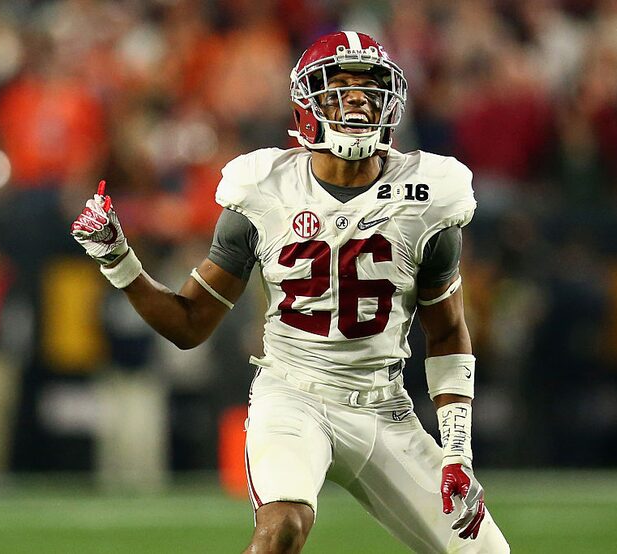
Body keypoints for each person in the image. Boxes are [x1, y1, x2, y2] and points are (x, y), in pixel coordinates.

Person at [72, 31, 509, 554]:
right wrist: (120, 259)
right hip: (293, 396)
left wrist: (457, 449)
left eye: (369, 87)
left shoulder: (430, 196)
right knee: (281, 527)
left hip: (384, 406)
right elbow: (188, 325)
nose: (357, 99)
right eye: (339, 87)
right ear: (307, 104)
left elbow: (448, 331)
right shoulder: (264, 188)